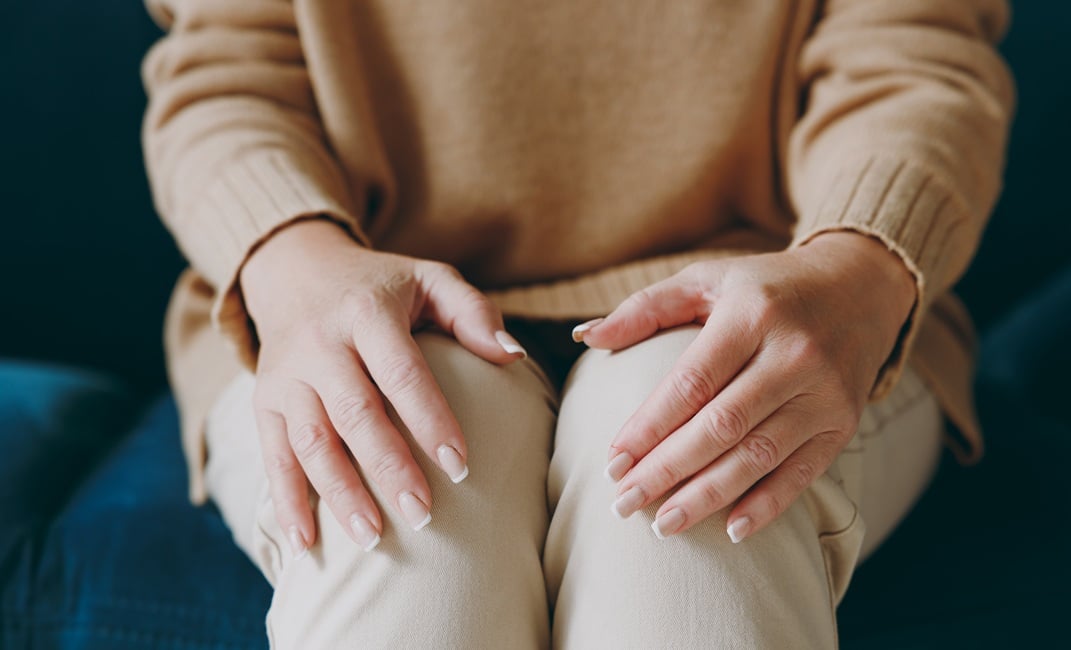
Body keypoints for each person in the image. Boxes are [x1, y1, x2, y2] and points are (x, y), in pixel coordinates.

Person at [141, 0, 1013, 647]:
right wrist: (295, 263)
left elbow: (913, 63)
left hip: (778, 296)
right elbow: (227, 74)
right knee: (407, 555)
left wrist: (851, 272)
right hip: (343, 287)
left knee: (695, 526)